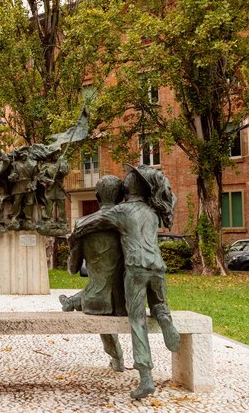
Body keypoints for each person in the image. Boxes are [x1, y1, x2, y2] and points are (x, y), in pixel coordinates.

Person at [72, 164, 180, 399]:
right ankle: (165, 321)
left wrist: (77, 230)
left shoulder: (122, 212)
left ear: (130, 187)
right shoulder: (153, 212)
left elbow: (87, 224)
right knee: (159, 303)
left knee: (137, 319)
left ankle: (146, 376)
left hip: (136, 268)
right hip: (158, 267)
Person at [62, 175, 127, 372]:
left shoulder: (83, 225)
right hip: (129, 300)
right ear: (122, 197)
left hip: (97, 300)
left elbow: (73, 269)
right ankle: (73, 301)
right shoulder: (131, 224)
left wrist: (73, 245)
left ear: (97, 196)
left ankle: (117, 356)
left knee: (98, 295)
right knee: (104, 291)